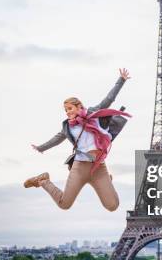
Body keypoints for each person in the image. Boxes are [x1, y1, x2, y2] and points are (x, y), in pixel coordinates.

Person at [24, 68, 131, 211]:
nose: (68, 112)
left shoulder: (94, 113)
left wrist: (121, 80)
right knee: (64, 204)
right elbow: (56, 139)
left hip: (98, 167)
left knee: (112, 206)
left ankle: (107, 183)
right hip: (79, 168)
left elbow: (109, 99)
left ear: (79, 106)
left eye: (70, 108)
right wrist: (40, 147)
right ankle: (43, 180)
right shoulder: (68, 126)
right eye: (65, 110)